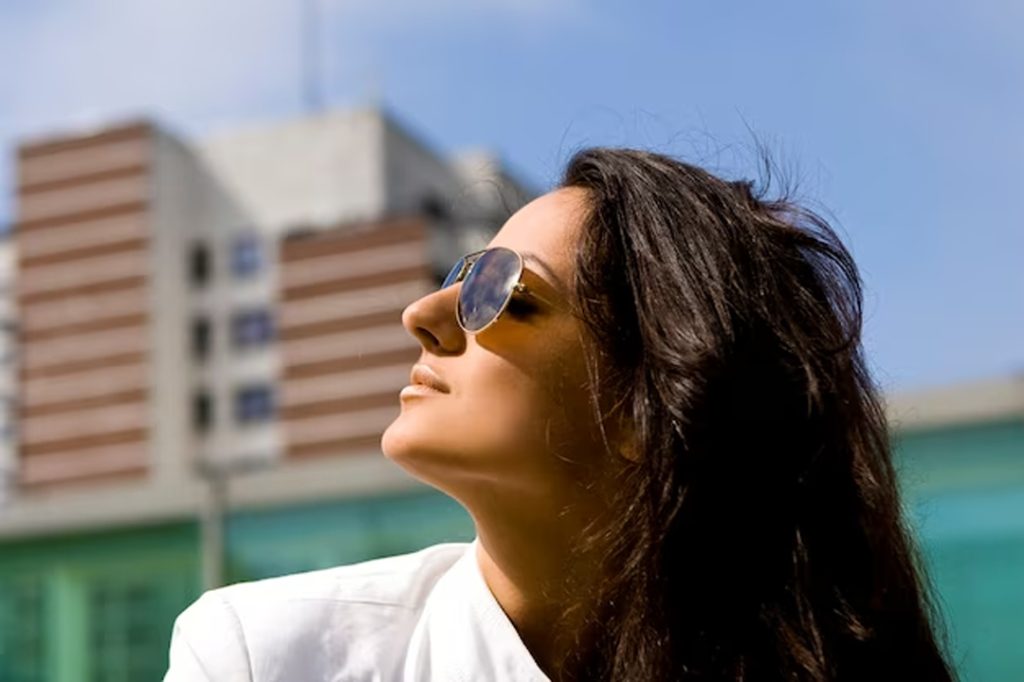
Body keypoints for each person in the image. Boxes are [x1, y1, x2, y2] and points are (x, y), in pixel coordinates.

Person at [164, 147, 957, 681]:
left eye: (503, 292)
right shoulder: (264, 658)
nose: (423, 313)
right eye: (460, 272)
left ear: (652, 406)